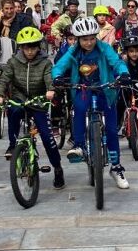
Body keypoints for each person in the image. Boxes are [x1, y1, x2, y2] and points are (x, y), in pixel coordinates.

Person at [52, 16, 132, 189]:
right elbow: (59, 65)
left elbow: (116, 62)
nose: (88, 43)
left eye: (91, 38)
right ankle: (80, 146)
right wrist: (57, 77)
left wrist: (123, 73)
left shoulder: (104, 48)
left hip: (105, 89)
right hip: (83, 90)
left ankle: (116, 167)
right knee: (79, 110)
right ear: (78, 39)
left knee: (111, 129)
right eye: (84, 39)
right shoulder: (73, 51)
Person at [0, 27, 65, 188]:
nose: (30, 51)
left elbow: (49, 79)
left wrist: (51, 90)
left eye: (33, 46)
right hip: (19, 98)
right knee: (13, 111)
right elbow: (4, 79)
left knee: (47, 138)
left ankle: (58, 168)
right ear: (21, 48)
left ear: (39, 46)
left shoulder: (45, 62)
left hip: (38, 101)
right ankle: (13, 144)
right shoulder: (13, 62)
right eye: (26, 47)